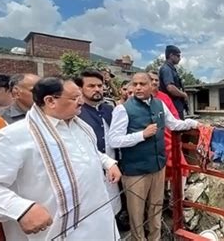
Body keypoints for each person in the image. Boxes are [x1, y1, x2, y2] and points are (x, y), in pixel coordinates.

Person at [0, 77, 122, 240]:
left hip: (99, 226)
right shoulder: (14, 137)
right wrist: (21, 209)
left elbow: (90, 153)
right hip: (55, 232)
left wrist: (108, 162)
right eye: (75, 98)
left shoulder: (81, 126)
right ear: (50, 101)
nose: (81, 102)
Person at [108, 72, 199, 241]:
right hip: (135, 171)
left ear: (152, 86)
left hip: (158, 166)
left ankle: (155, 238)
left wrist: (193, 123)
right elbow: (114, 140)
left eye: (142, 84)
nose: (138, 87)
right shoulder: (123, 109)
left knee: (156, 208)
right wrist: (141, 135)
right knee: (136, 213)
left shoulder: (160, 105)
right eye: (135, 84)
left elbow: (174, 124)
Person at [74, 69, 122, 215]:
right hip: (90, 172)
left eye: (100, 86)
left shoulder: (109, 109)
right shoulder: (77, 113)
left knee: (113, 207)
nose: (97, 89)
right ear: (80, 88)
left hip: (114, 168)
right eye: (91, 86)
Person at [149, 71, 190, 184]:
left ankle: (178, 198)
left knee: (180, 166)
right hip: (149, 141)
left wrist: (190, 124)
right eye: (151, 79)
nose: (154, 82)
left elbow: (174, 119)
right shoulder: (139, 100)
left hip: (168, 138)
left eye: (156, 80)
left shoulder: (164, 98)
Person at [159, 45, 187, 119]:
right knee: (178, 128)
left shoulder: (171, 69)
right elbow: (170, 88)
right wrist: (183, 95)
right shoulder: (166, 69)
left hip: (175, 105)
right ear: (171, 55)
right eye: (178, 56)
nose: (179, 58)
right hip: (172, 105)